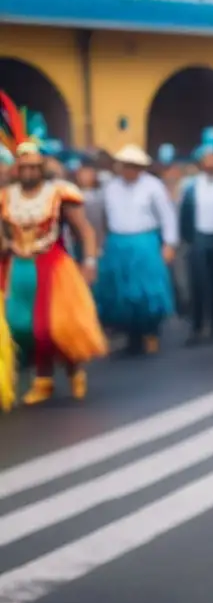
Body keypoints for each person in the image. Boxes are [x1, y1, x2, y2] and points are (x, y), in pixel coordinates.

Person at [0, 92, 105, 404]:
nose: (29, 172)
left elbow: (84, 230)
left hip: (54, 266)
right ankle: (43, 378)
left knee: (54, 326)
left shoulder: (59, 193)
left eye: (34, 166)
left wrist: (89, 262)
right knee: (21, 326)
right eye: (24, 167)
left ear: (42, 167)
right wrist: (6, 243)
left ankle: (72, 370)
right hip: (19, 267)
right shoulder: (6, 197)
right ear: (17, 168)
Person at [96, 144, 178, 355]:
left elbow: (167, 216)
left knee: (147, 292)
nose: (129, 171)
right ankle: (131, 337)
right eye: (126, 166)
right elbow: (105, 218)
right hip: (118, 243)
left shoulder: (153, 186)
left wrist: (169, 243)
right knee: (121, 293)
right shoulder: (111, 187)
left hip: (144, 243)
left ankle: (150, 332)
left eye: (133, 167)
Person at [178, 132, 213, 346]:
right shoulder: (191, 186)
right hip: (199, 238)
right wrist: (187, 239)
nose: (211, 162)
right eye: (206, 158)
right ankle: (196, 326)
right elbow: (184, 214)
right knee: (198, 284)